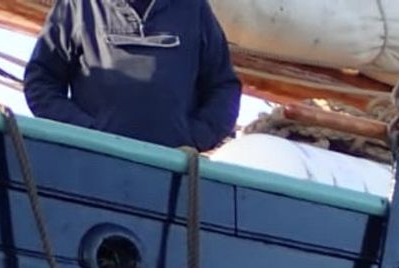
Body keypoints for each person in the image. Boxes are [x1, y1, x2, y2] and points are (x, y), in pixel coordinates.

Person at [22, 0, 242, 153]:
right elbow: (41, 80)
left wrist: (194, 137)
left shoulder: (194, 9)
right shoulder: (79, 6)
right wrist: (84, 132)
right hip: (93, 167)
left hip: (173, 174)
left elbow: (224, 87)